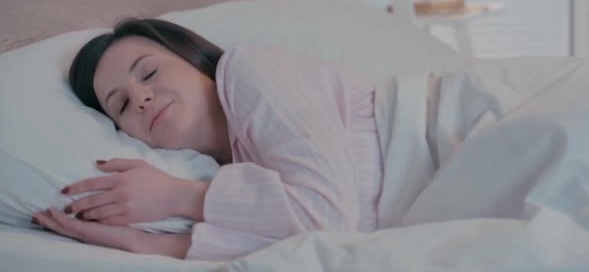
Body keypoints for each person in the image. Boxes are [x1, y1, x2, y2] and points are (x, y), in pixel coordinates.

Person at [31, 18, 389, 261]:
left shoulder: (248, 67)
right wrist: (145, 242)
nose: (140, 98)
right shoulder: (238, 172)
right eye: (122, 104)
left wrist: (176, 196)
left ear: (194, 59)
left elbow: (328, 219)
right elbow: (323, 240)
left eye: (150, 72)